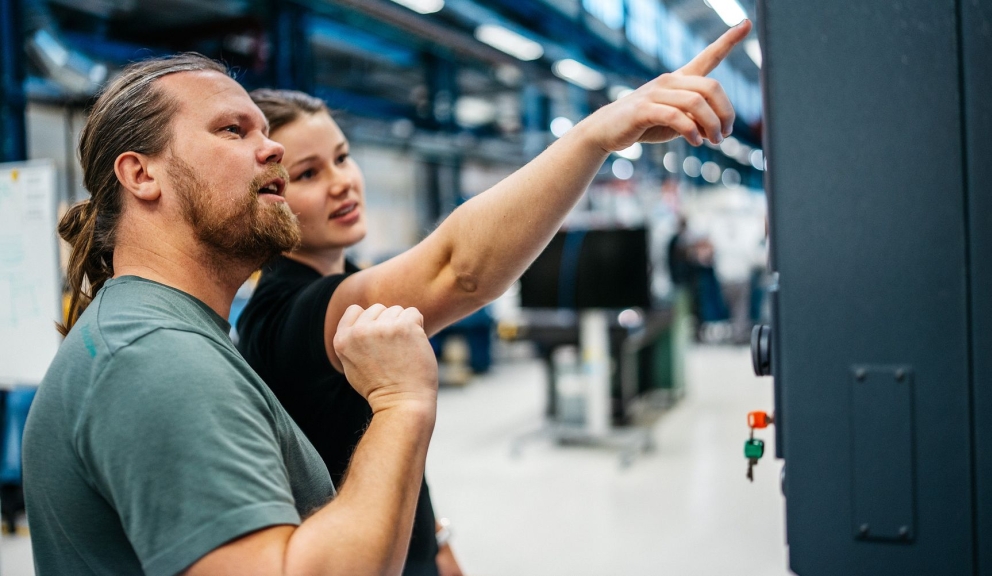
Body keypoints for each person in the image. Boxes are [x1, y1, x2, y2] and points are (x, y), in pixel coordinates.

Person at [237, 20, 752, 576]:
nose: (341, 181)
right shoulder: (287, 315)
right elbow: (459, 270)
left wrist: (437, 541)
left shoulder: (347, 280)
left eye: (342, 157)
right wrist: (595, 137)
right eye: (308, 174)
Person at [22, 53, 440, 576]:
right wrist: (402, 403)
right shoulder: (156, 359)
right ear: (141, 174)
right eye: (233, 130)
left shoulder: (163, 337)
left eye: (264, 130)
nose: (274, 148)